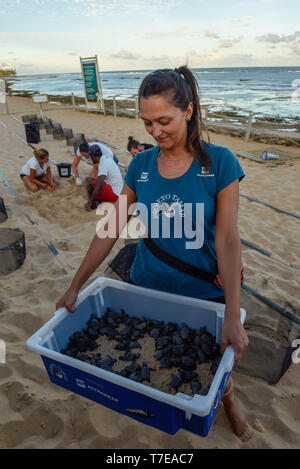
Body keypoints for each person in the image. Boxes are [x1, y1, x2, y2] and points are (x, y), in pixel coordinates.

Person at [57, 66, 250, 438]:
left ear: (189, 111)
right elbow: (111, 227)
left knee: (214, 368)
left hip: (203, 293)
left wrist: (231, 312)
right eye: (147, 123)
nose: (156, 132)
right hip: (146, 287)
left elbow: (227, 240)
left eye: (164, 121)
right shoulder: (141, 165)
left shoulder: (221, 162)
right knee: (154, 366)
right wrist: (74, 285)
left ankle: (228, 400)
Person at [84, 145, 123, 211]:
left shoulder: (103, 163)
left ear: (92, 156)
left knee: (90, 183)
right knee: (93, 181)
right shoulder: (106, 158)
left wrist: (89, 202)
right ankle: (96, 201)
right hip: (118, 190)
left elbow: (99, 185)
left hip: (115, 193)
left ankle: (92, 204)